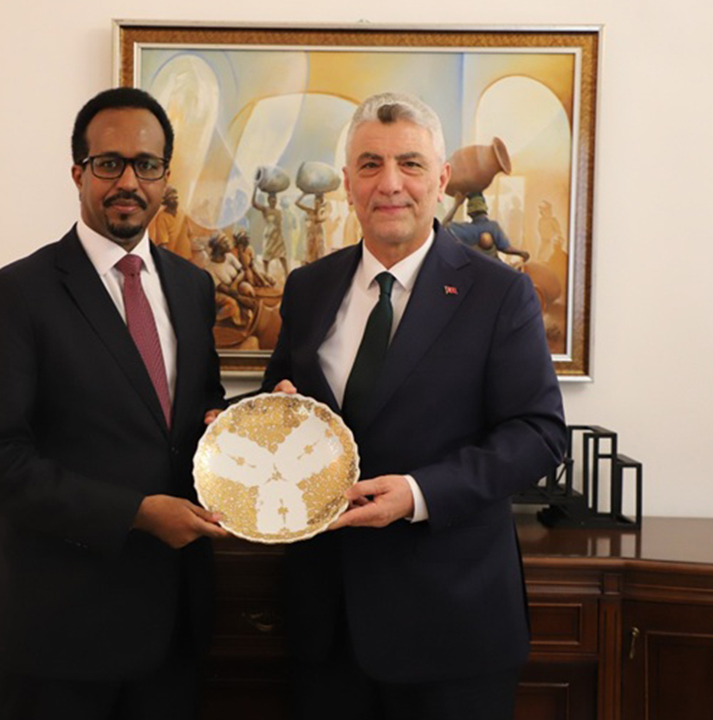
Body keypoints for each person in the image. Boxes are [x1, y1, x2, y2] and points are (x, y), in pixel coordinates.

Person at [264, 92, 567, 720]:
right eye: (370, 165)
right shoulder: (308, 287)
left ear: (442, 178)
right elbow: (284, 402)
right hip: (327, 624)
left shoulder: (500, 294)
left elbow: (538, 435)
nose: (390, 183)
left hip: (452, 625)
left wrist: (417, 493)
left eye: (410, 163)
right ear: (348, 183)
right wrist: (257, 424)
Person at [0, 87, 229, 720]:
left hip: (173, 629)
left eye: (146, 164)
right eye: (109, 163)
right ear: (78, 172)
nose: (128, 181)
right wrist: (135, 513)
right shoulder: (15, 294)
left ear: (165, 177)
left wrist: (242, 428)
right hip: (56, 633)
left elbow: (197, 409)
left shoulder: (192, 287)